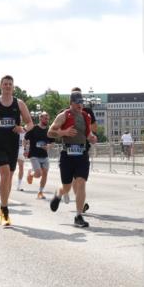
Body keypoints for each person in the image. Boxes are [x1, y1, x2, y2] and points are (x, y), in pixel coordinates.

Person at [0, 75, 33, 226]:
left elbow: (30, 123)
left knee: (9, 178)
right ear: (0, 86)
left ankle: (3, 206)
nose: (7, 86)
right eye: (5, 84)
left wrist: (22, 128)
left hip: (12, 144)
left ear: (13, 86)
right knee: (4, 174)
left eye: (10, 84)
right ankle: (4, 210)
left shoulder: (19, 103)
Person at [48, 89, 97, 228]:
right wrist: (63, 132)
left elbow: (88, 134)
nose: (80, 105)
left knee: (81, 182)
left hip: (82, 154)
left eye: (81, 102)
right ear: (71, 103)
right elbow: (50, 132)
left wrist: (92, 138)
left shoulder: (86, 116)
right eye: (77, 102)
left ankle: (78, 216)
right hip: (67, 154)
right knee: (67, 187)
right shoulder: (63, 116)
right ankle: (58, 194)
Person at [25, 111, 55, 200]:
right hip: (34, 155)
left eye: (48, 118)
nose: (47, 119)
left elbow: (52, 142)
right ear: (40, 118)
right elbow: (25, 139)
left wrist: (49, 146)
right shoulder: (34, 128)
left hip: (44, 156)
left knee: (45, 174)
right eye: (45, 118)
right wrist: (25, 149)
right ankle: (30, 174)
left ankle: (40, 192)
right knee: (38, 174)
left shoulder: (49, 130)